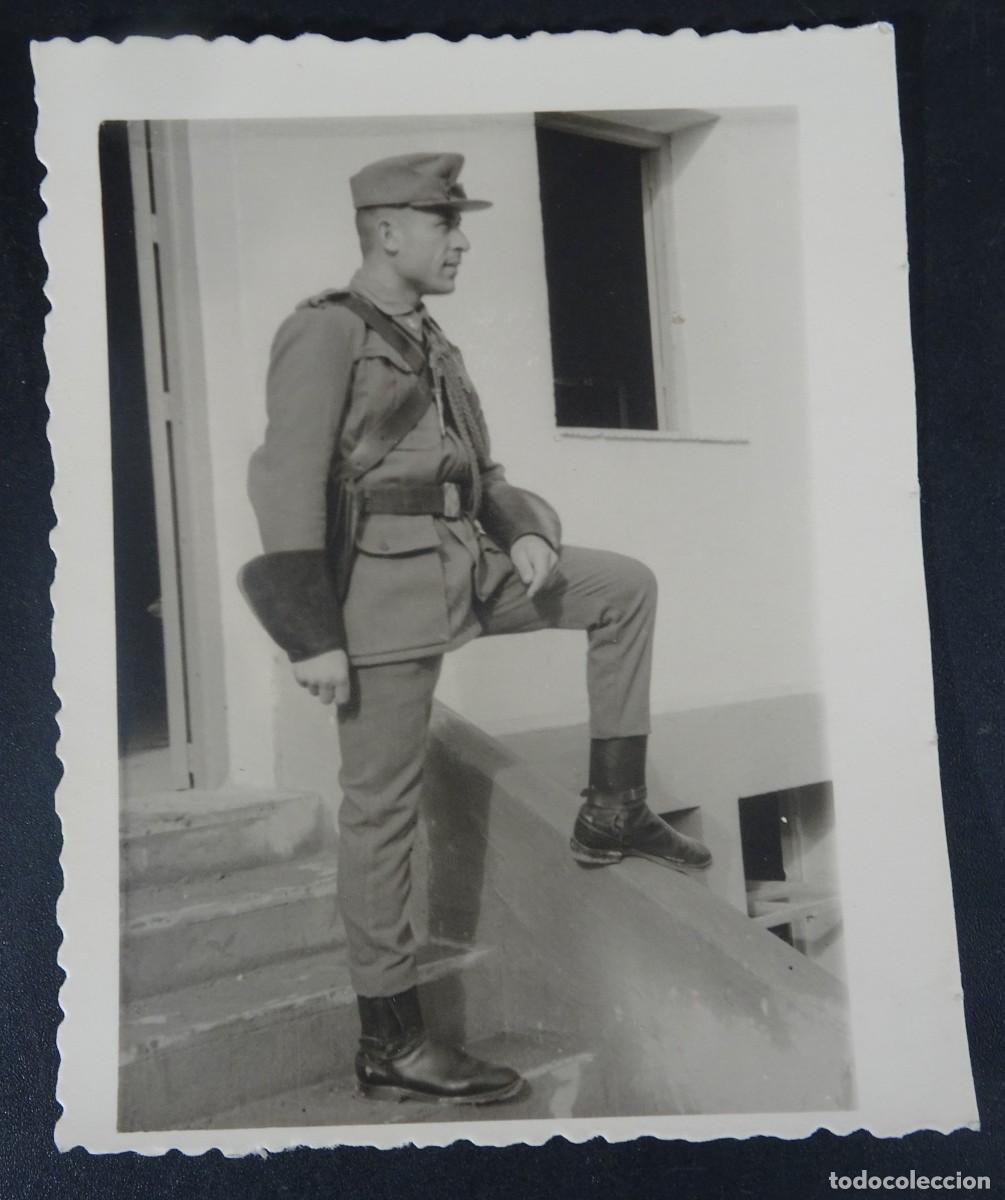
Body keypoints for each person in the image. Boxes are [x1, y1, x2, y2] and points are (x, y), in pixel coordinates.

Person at [240, 152, 711, 1106]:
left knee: (622, 587)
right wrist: (310, 634)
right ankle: (391, 1042)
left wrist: (527, 532)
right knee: (380, 812)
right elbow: (283, 480)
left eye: (460, 223)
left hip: (468, 567)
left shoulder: (432, 341)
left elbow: (480, 473)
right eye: (443, 222)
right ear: (386, 230)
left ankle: (611, 807)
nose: (460, 240)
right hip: (378, 595)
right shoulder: (326, 331)